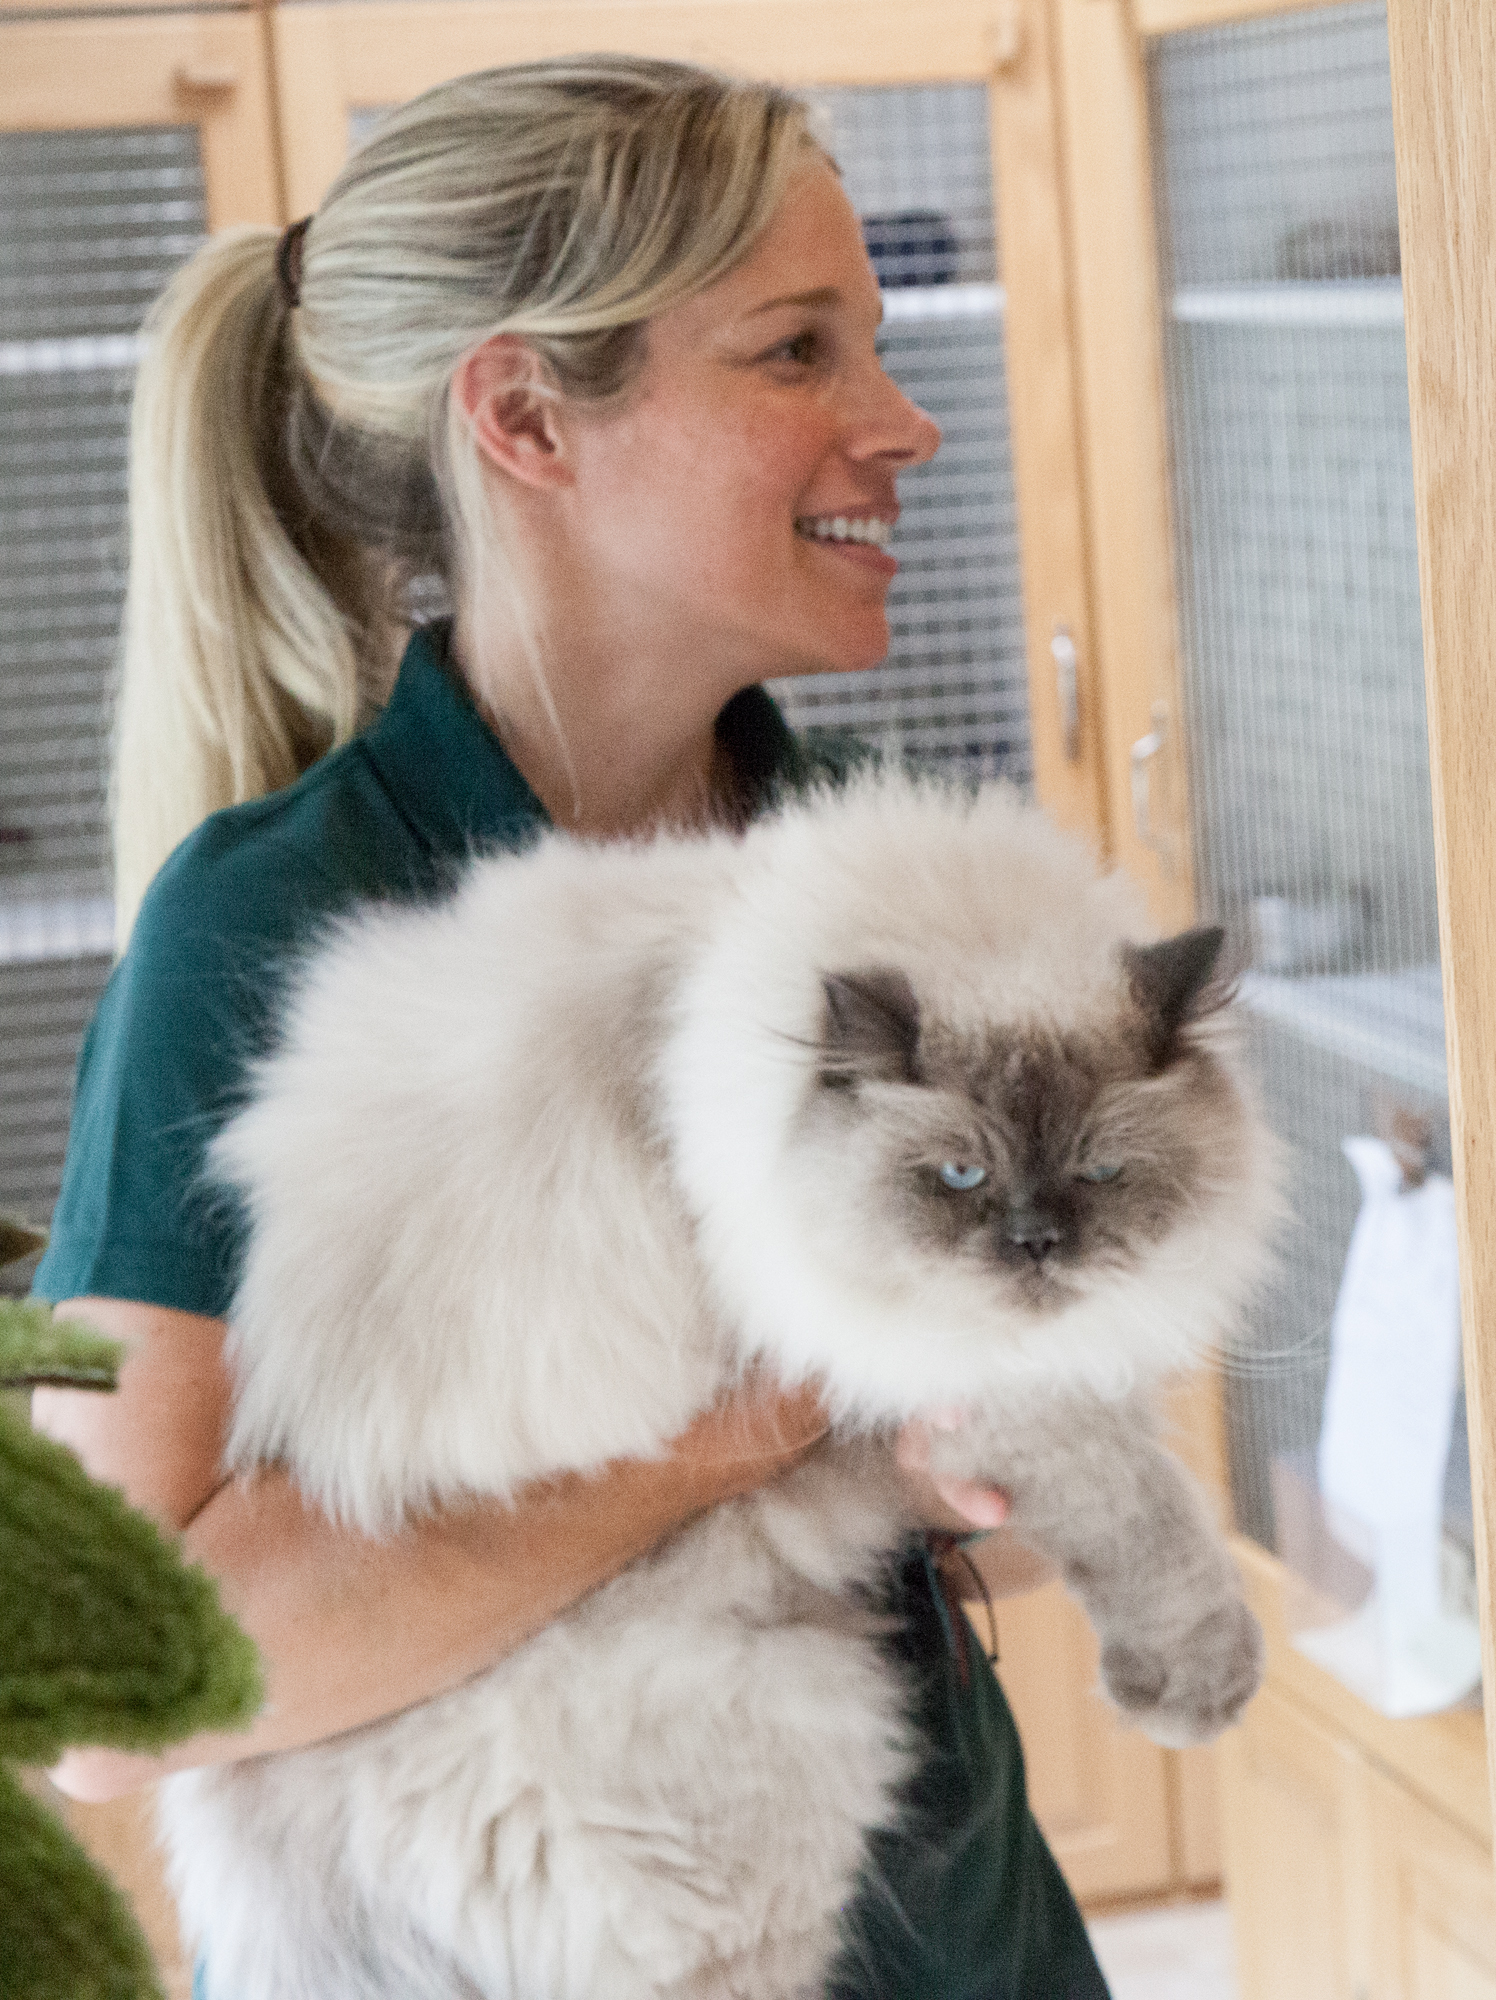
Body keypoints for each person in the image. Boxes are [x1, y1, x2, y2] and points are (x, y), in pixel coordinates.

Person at [27, 55, 1108, 1999]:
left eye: (870, 342)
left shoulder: (891, 861)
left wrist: (998, 1445)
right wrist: (747, 1428)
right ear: (527, 416)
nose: (903, 421)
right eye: (798, 351)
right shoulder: (281, 918)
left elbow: (1009, 1499)